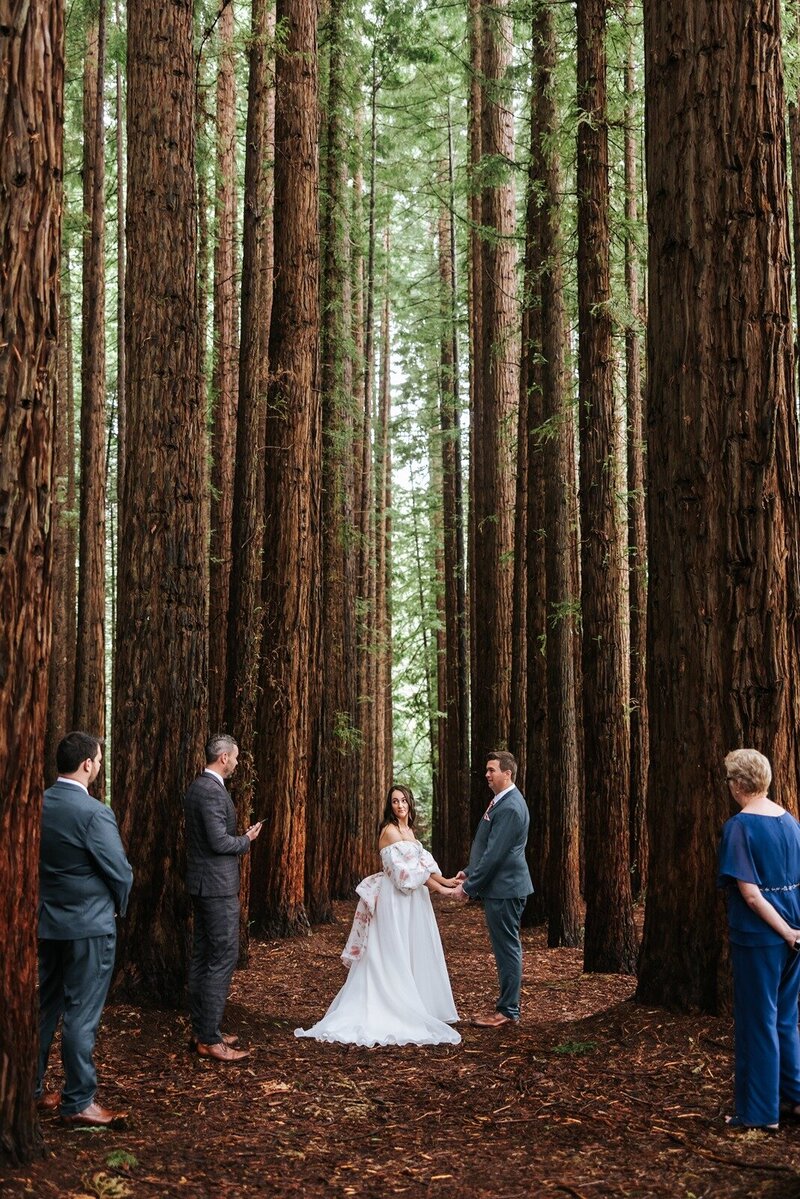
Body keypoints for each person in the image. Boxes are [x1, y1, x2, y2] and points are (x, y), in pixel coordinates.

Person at [295, 784, 461, 1047]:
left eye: (404, 800)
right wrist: (442, 890)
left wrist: (448, 881)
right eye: (395, 801)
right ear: (389, 806)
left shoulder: (409, 831)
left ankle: (418, 1002)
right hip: (395, 898)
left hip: (414, 901)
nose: (400, 805)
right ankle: (391, 1002)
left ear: (410, 803)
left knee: (411, 948)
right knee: (390, 950)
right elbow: (403, 875)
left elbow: (424, 866)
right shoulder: (389, 833)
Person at [36, 731, 133, 1126]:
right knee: (81, 1014)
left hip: (47, 923)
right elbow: (121, 873)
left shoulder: (38, 804)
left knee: (45, 1009)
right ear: (88, 764)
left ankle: (30, 1089)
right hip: (89, 926)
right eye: (98, 759)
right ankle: (78, 1101)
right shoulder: (94, 813)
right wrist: (115, 910)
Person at [717, 748, 800, 1131]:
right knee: (785, 1017)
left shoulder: (740, 826)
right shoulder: (790, 822)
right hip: (794, 934)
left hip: (760, 937)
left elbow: (750, 894)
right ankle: (794, 1096)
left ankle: (760, 1112)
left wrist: (781, 930)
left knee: (758, 1021)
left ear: (737, 785)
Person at [185, 733, 262, 1062]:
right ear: (223, 758)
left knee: (204, 956)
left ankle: (203, 1028)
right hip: (216, 888)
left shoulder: (198, 788)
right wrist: (245, 839)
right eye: (235, 757)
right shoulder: (212, 792)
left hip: (203, 885)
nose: (237, 762)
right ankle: (210, 1039)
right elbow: (218, 842)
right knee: (222, 957)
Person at [451, 750, 533, 1027]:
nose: (487, 775)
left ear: (507, 773)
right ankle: (507, 1007)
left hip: (506, 888)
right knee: (505, 948)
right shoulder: (502, 802)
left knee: (507, 949)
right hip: (502, 888)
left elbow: (496, 854)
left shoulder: (510, 806)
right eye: (486, 770)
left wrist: (469, 887)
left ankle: (508, 1010)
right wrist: (470, 870)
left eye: (492, 770)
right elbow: (489, 846)